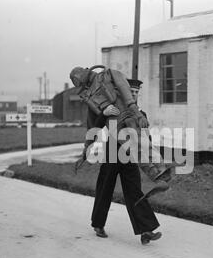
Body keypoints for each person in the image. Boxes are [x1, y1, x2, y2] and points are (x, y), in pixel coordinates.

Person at [70, 65, 173, 205]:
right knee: (138, 150)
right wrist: (85, 151)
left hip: (128, 118)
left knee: (143, 146)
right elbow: (92, 127)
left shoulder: (109, 75)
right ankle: (159, 177)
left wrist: (137, 114)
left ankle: (162, 176)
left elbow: (125, 92)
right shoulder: (88, 96)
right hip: (116, 129)